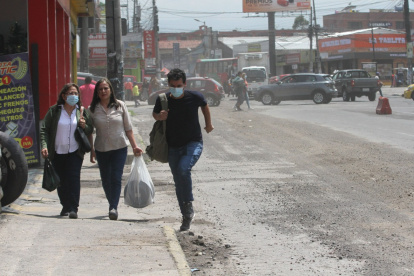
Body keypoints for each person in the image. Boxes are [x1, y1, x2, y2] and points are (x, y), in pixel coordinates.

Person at [152, 68, 214, 231]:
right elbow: (155, 114)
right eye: (172, 85)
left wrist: (208, 124)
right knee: (178, 181)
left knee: (183, 169)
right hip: (173, 145)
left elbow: (205, 106)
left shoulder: (194, 97)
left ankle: (188, 205)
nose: (176, 88)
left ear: (184, 84)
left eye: (179, 85)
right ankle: (186, 216)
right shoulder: (163, 99)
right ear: (169, 85)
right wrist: (160, 116)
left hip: (193, 142)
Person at [89, 78, 143, 220]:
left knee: (116, 177)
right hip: (101, 149)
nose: (103, 91)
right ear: (97, 92)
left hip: (119, 148)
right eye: (100, 89)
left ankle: (113, 207)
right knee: (106, 179)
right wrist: (91, 150)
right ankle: (111, 202)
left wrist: (135, 146)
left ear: (111, 90)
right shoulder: (92, 109)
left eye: (106, 88)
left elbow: (128, 128)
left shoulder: (120, 106)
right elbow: (89, 131)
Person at [40, 83, 93, 219]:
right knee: (61, 180)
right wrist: (44, 145)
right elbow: (44, 129)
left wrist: (84, 125)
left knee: (74, 179)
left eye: (76, 93)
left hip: (75, 152)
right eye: (70, 93)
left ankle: (73, 208)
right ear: (64, 96)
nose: (73, 96)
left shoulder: (81, 111)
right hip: (57, 151)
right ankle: (65, 205)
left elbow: (89, 129)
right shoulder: (55, 111)